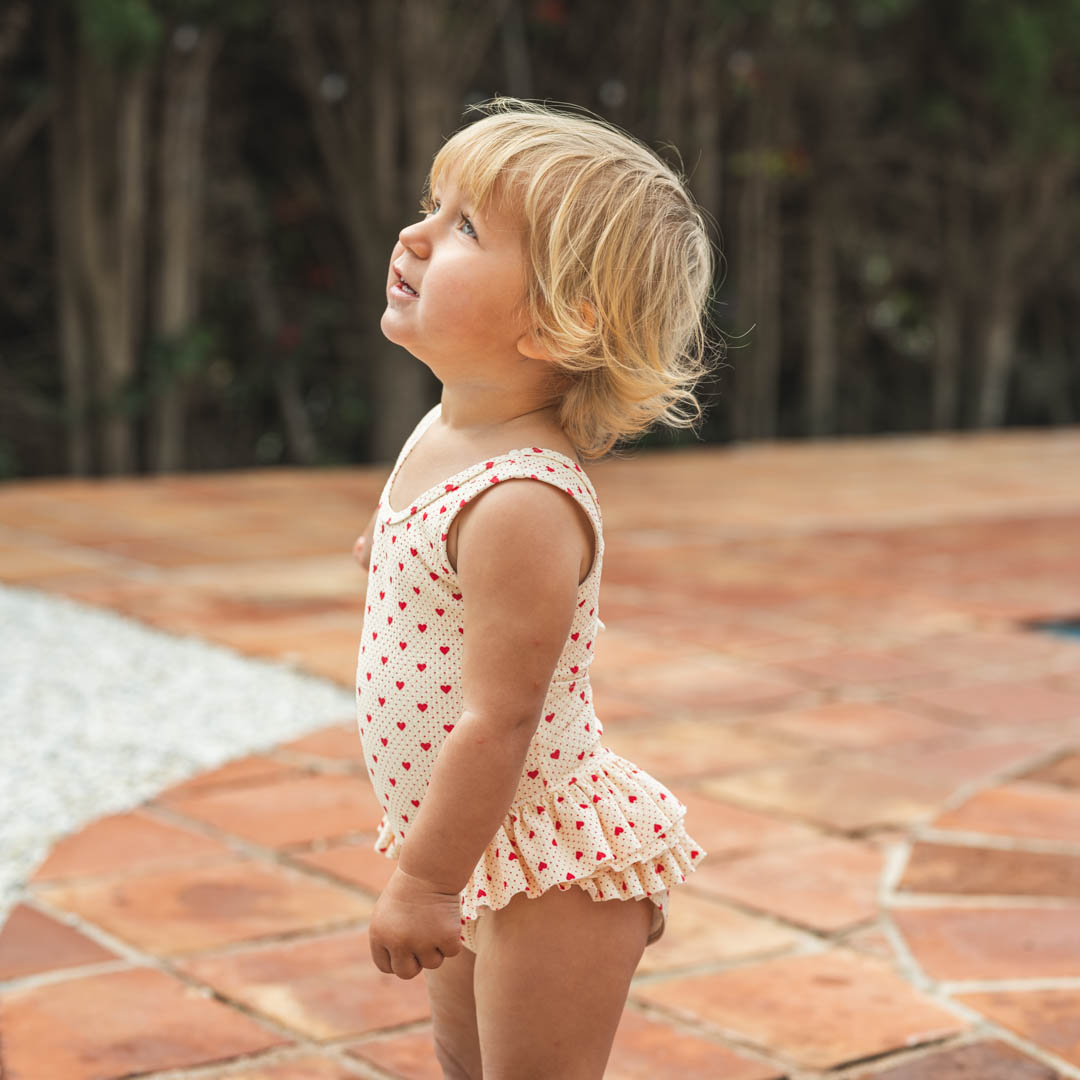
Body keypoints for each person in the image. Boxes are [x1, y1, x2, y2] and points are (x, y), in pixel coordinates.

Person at [351, 97, 714, 1080]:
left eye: (464, 227)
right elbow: (432, 555)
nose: (415, 236)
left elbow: (499, 718)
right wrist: (389, 553)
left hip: (546, 860)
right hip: (471, 837)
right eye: (430, 206)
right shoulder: (447, 429)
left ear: (563, 320)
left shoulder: (523, 501)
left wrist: (426, 883)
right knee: (464, 1062)